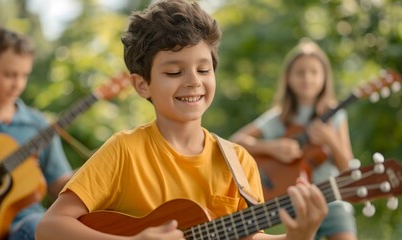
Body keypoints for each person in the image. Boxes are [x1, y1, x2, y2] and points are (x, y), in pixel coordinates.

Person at [35, 1, 328, 239]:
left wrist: (297, 237)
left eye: (203, 70)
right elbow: (50, 227)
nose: (193, 82)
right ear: (142, 85)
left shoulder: (238, 162)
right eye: (174, 73)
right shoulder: (124, 151)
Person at [229, 38, 357, 240]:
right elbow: (235, 142)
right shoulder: (279, 118)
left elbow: (348, 169)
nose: (307, 77)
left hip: (333, 201)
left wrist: (330, 139)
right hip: (294, 203)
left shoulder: (336, 116)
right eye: (300, 72)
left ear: (325, 77)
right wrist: (272, 147)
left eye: (314, 72)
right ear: (288, 77)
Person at [0, 24, 73, 240]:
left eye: (24, 75)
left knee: (41, 226)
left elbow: (59, 184)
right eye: (9, 74)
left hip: (27, 226)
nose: (18, 84)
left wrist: (97, 174)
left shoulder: (37, 125)